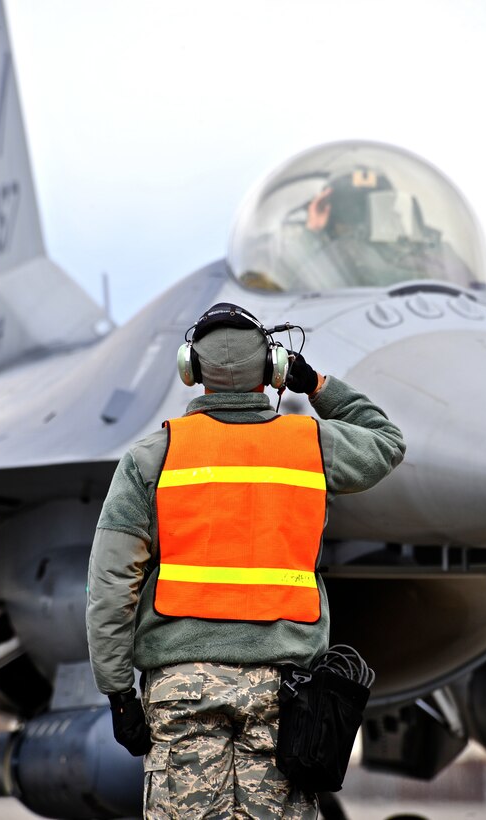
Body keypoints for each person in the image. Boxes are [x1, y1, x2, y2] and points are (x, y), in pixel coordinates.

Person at [86, 302, 406, 819]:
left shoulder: (153, 457)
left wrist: (118, 693)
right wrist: (316, 383)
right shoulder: (311, 446)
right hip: (283, 695)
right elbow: (387, 443)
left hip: (182, 688)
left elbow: (109, 584)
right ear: (273, 370)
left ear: (191, 369)